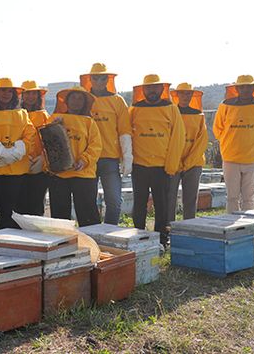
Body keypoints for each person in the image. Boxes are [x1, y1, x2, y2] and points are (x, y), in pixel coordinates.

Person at [130, 74, 185, 246]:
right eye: (149, 88)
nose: (152, 90)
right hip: (139, 165)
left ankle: (161, 238)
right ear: (143, 89)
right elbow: (126, 135)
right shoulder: (134, 109)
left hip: (161, 166)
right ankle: (138, 236)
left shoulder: (171, 109)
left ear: (162, 89)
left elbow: (178, 137)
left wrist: (171, 164)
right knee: (139, 204)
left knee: (162, 205)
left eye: (155, 87)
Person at [0, 78, 36, 232]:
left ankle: (5, 246)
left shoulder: (23, 113)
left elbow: (30, 134)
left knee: (8, 211)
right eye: (2, 90)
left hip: (15, 171)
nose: (6, 94)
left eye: (10, 91)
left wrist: (17, 150)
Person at [213, 75, 254, 213]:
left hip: (253, 159)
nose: (245, 89)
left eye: (248, 86)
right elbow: (217, 129)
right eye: (242, 87)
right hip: (231, 159)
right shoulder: (225, 106)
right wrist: (231, 142)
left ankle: (247, 228)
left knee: (249, 198)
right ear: (236, 88)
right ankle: (232, 230)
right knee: (232, 197)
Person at [80, 63, 132, 225]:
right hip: (87, 160)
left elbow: (124, 131)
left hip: (110, 158)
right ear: (90, 79)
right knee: (87, 203)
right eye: (95, 77)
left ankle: (109, 234)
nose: (99, 81)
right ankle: (92, 235)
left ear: (108, 79)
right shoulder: (82, 100)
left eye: (103, 78)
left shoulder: (117, 101)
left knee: (114, 202)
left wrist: (127, 157)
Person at [47, 86, 102, 227]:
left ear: (85, 103)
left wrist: (84, 160)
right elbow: (46, 143)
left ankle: (93, 245)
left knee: (88, 215)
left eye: (80, 99)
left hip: (83, 174)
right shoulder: (54, 118)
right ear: (66, 101)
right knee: (59, 217)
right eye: (73, 98)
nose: (76, 101)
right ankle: (61, 246)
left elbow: (95, 146)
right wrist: (53, 128)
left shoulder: (90, 122)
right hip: (60, 174)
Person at [167, 83, 208, 221]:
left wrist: (188, 162)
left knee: (190, 199)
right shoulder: (171, 113)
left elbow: (201, 141)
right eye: (182, 93)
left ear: (192, 95)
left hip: (193, 164)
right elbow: (167, 139)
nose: (185, 96)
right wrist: (176, 161)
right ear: (177, 95)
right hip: (173, 163)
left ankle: (189, 228)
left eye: (188, 94)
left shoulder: (198, 115)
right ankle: (169, 229)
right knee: (169, 198)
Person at [15, 80, 50, 216]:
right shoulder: (16, 113)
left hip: (39, 168)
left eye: (34, 94)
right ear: (22, 95)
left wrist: (42, 158)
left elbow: (50, 141)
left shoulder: (44, 115)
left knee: (36, 205)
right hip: (19, 165)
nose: (31, 97)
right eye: (27, 93)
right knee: (19, 205)